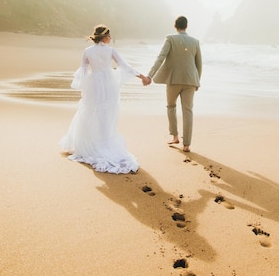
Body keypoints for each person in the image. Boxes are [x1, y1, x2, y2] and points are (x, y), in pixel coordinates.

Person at [59, 25, 149, 174]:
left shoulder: (87, 51)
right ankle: (104, 141)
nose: (111, 38)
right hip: (109, 83)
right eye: (109, 36)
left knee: (89, 112)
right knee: (107, 114)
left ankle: (91, 143)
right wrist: (143, 77)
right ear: (105, 36)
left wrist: (84, 86)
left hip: (93, 83)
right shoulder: (110, 50)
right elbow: (124, 66)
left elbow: (83, 70)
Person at [146, 16, 202, 152]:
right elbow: (198, 63)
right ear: (186, 26)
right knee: (188, 111)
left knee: (171, 106)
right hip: (190, 80)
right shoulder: (195, 41)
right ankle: (187, 144)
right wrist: (197, 81)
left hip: (174, 80)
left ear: (175, 26)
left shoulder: (170, 38)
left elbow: (161, 57)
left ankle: (175, 136)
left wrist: (150, 75)